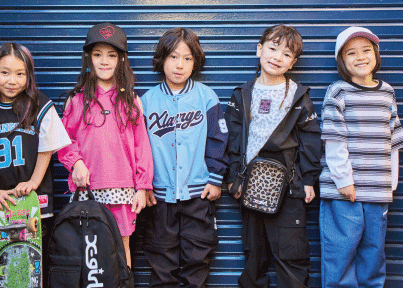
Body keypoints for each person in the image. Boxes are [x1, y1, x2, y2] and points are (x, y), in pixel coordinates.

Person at [0, 42, 71, 288]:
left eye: (20, 74)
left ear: (29, 76)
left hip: (33, 206)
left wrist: (34, 181)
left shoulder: (40, 105)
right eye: (5, 72)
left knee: (34, 273)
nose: (12, 80)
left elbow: (48, 147)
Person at [225, 24, 323, 288]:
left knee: (291, 258)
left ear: (293, 63)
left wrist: (308, 180)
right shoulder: (242, 94)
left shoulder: (299, 96)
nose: (277, 57)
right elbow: (232, 139)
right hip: (250, 186)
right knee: (254, 259)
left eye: (286, 54)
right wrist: (234, 177)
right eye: (272, 48)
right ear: (259, 49)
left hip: (288, 189)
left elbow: (311, 140)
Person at [319, 27, 403, 288]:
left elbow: (392, 139)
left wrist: (390, 183)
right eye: (351, 53)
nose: (360, 57)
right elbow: (334, 140)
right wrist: (343, 180)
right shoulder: (338, 92)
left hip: (377, 190)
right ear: (341, 60)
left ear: (376, 55)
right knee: (340, 252)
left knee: (373, 254)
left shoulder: (387, 92)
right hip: (343, 192)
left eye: (366, 50)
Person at [57, 22, 154, 268]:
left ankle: (124, 283)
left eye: (111, 55)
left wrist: (143, 186)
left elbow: (141, 147)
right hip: (88, 187)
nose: (104, 61)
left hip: (123, 188)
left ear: (121, 59)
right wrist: (76, 163)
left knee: (122, 246)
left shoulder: (131, 101)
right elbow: (64, 140)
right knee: (89, 250)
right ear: (89, 58)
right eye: (98, 54)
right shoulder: (77, 100)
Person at [141, 27, 229, 288]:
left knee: (197, 260)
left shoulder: (206, 97)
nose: (179, 65)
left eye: (187, 58)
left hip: (198, 194)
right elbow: (139, 148)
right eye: (173, 57)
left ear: (195, 62)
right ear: (162, 59)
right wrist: (143, 184)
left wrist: (215, 178)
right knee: (161, 263)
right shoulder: (147, 101)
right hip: (159, 196)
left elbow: (218, 139)